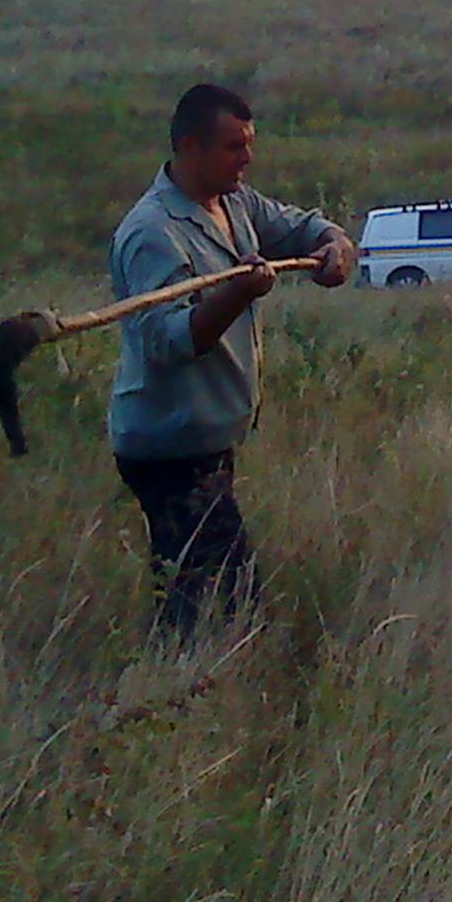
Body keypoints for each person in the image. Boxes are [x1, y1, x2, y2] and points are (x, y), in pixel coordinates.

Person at [107, 83, 356, 644]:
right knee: (225, 601)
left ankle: (175, 698)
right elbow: (168, 340)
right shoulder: (152, 233)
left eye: (249, 144)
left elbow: (306, 227)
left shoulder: (235, 202)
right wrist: (238, 294)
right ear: (189, 147)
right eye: (232, 146)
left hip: (206, 441)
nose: (247, 158)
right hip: (169, 447)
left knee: (192, 594)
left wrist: (335, 246)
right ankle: (195, 697)